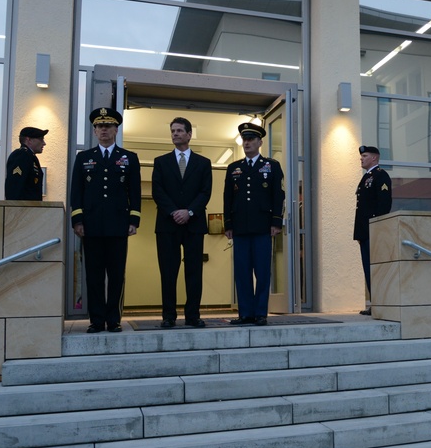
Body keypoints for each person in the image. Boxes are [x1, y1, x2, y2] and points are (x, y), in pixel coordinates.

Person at [69, 108, 142, 333]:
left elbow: (136, 192)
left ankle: (114, 319)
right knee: (94, 275)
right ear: (94, 131)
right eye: (100, 127)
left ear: (116, 130)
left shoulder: (129, 158)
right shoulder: (84, 158)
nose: (103, 130)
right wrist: (77, 220)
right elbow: (76, 192)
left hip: (118, 225)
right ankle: (97, 320)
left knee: (117, 275)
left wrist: (134, 220)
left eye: (108, 126)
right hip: (90, 226)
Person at [151, 117, 213, 329]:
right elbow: (157, 191)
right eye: (173, 131)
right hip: (167, 225)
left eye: (179, 130)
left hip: (194, 224)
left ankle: (192, 315)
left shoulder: (204, 163)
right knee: (168, 271)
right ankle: (168, 315)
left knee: (194, 271)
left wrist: (190, 211)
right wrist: (174, 212)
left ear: (189, 134)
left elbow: (205, 192)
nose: (175, 134)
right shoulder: (161, 162)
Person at [224, 121, 284, 326]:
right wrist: (228, 225)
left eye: (250, 139)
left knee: (262, 271)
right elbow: (227, 198)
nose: (246, 142)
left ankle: (260, 313)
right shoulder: (234, 168)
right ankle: (245, 313)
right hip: (240, 227)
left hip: (263, 227)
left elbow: (279, 195)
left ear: (260, 142)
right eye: (244, 139)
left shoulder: (271, 166)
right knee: (242, 272)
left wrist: (277, 222)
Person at [353, 145, 392, 315]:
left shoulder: (380, 175)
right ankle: (375, 303)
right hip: (365, 231)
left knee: (375, 268)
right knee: (368, 268)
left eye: (365, 155)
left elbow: (384, 204)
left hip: (373, 230)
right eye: (362, 156)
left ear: (374, 158)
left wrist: (377, 225)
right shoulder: (366, 178)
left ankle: (380, 303)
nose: (361, 158)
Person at [4, 126, 48, 200]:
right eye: (41, 139)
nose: (44, 143)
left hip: (30, 208)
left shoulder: (31, 157)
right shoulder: (20, 155)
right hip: (23, 209)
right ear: (29, 140)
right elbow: (15, 187)